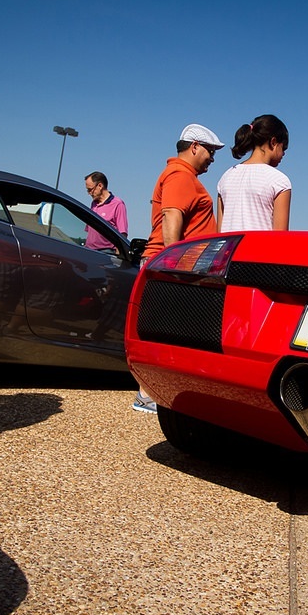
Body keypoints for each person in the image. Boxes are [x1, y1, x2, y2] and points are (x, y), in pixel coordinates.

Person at [134, 123, 224, 413]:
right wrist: (175, 270)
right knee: (168, 332)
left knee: (169, 331)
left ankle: (155, 395)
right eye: (210, 151)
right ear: (194, 146)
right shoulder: (180, 175)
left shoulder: (181, 175)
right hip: (174, 265)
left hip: (173, 264)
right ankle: (151, 396)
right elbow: (172, 217)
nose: (212, 157)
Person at [217, 115, 292, 231]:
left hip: (232, 250)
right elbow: (280, 237)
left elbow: (220, 234)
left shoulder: (226, 177)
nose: (283, 154)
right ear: (273, 142)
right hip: (260, 249)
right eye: (284, 148)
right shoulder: (279, 181)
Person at [84, 171, 128, 251]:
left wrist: (119, 254)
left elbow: (122, 234)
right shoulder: (94, 204)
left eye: (90, 190)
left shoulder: (118, 204)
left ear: (100, 186)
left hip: (107, 252)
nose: (89, 193)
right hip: (89, 250)